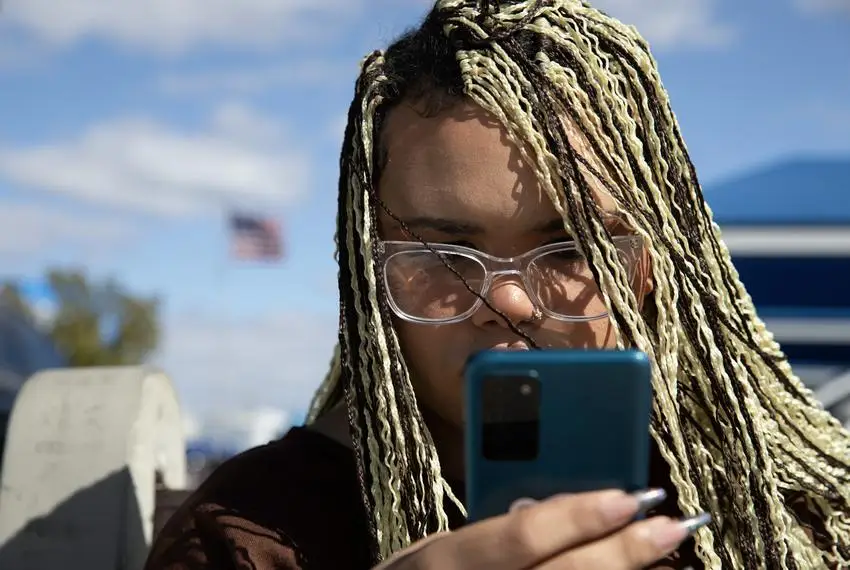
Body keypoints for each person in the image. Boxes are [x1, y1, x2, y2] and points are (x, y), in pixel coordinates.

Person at [145, 1, 850, 568]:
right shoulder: (244, 535)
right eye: (446, 254)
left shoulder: (789, 513)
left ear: (649, 267)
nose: (508, 302)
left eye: (571, 249)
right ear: (369, 273)